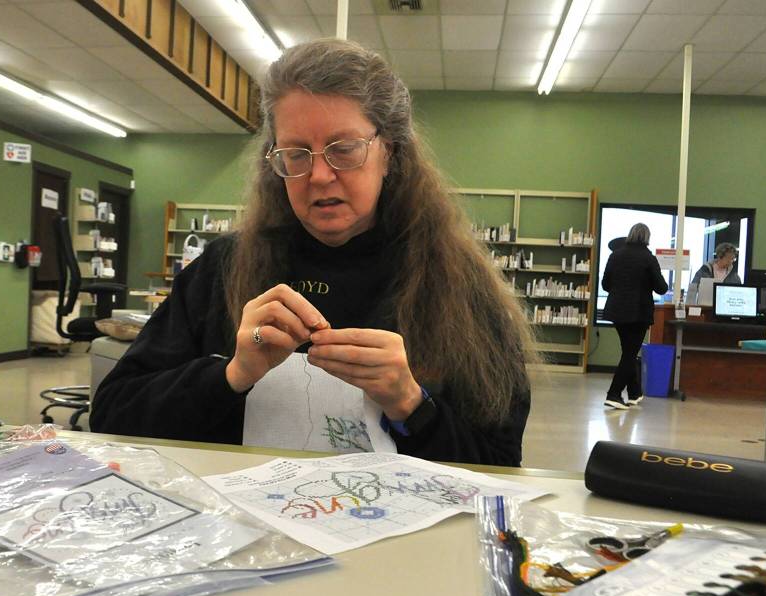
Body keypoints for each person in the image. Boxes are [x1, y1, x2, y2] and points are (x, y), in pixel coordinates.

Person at [90, 39, 535, 466]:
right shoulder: (223, 268)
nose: (319, 175)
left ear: (390, 154)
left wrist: (410, 404)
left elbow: (498, 462)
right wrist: (232, 374)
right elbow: (113, 414)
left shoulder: (459, 284)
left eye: (343, 150)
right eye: (296, 154)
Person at [600, 223, 668, 410]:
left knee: (628, 352)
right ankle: (613, 394)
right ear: (647, 237)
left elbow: (605, 284)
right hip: (639, 312)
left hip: (617, 311)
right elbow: (661, 288)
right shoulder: (648, 258)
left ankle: (634, 393)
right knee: (630, 354)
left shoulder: (615, 255)